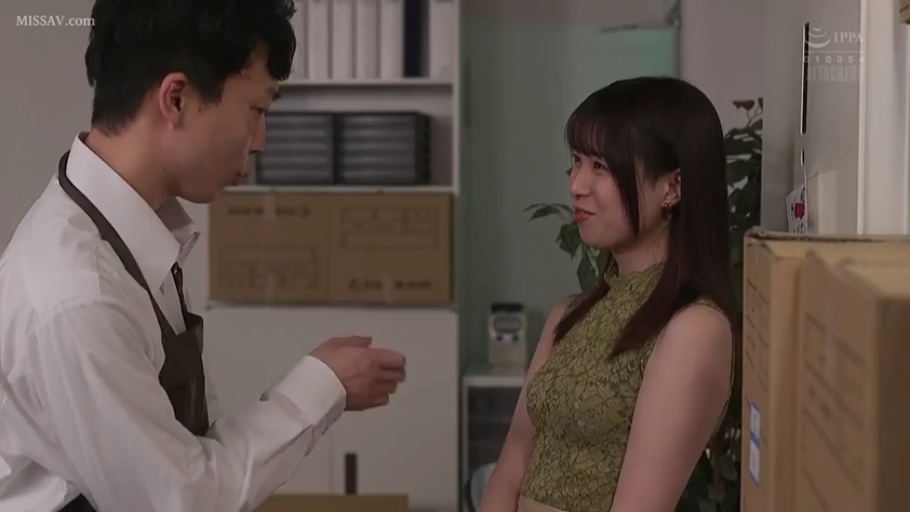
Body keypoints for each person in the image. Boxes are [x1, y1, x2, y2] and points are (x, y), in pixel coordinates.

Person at [0, 1, 406, 511]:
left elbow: (184, 456)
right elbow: (179, 500)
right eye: (257, 111)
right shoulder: (80, 295)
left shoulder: (130, 236)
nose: (260, 142)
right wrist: (325, 387)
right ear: (177, 99)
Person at [478, 77, 738, 512]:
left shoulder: (694, 328)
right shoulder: (569, 314)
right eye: (577, 161)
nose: (576, 184)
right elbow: (511, 467)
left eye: (601, 166)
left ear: (672, 188)